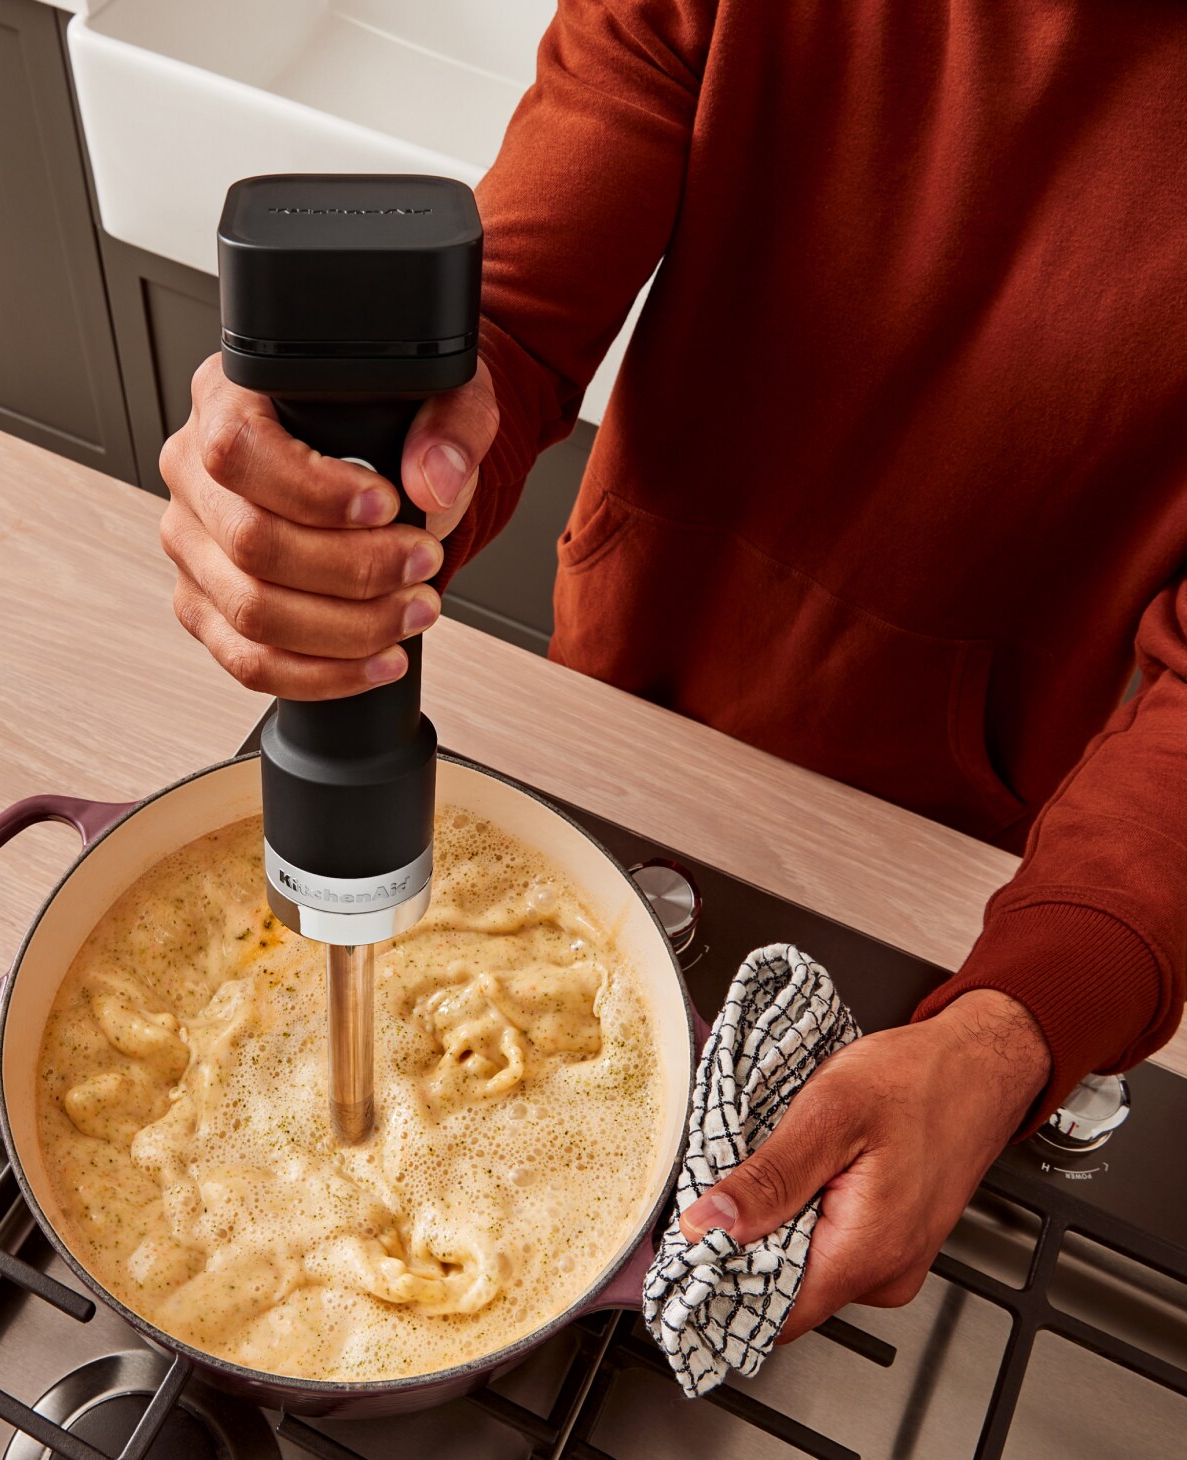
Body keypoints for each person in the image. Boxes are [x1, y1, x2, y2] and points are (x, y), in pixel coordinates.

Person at [157, 1, 1186, 1342]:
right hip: (625, 701)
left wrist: (1013, 1032)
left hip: (952, 855)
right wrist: (356, 481)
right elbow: (513, 320)